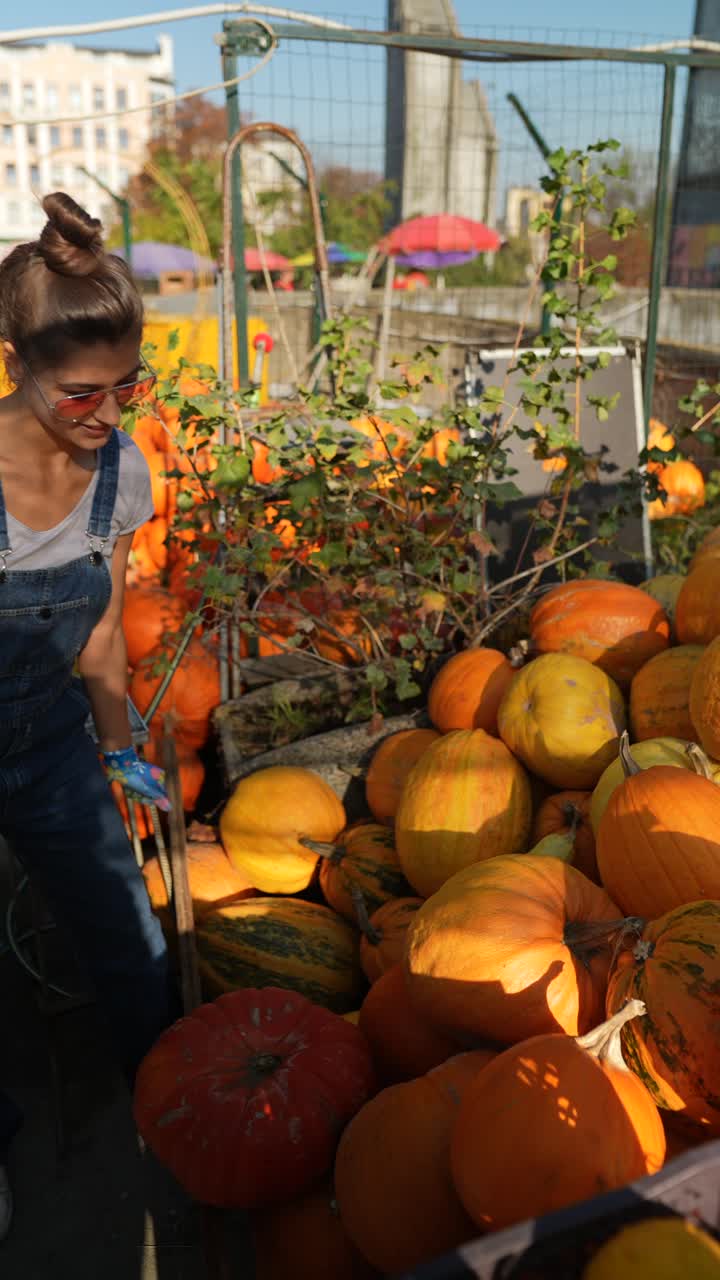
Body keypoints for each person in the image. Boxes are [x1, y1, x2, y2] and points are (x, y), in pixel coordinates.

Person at [0, 192, 180, 1241]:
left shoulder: (123, 472)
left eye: (128, 386)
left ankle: (171, 1103)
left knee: (130, 935)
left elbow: (104, 633)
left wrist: (126, 760)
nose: (108, 414)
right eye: (81, 393)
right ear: (14, 363)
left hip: (48, 745)